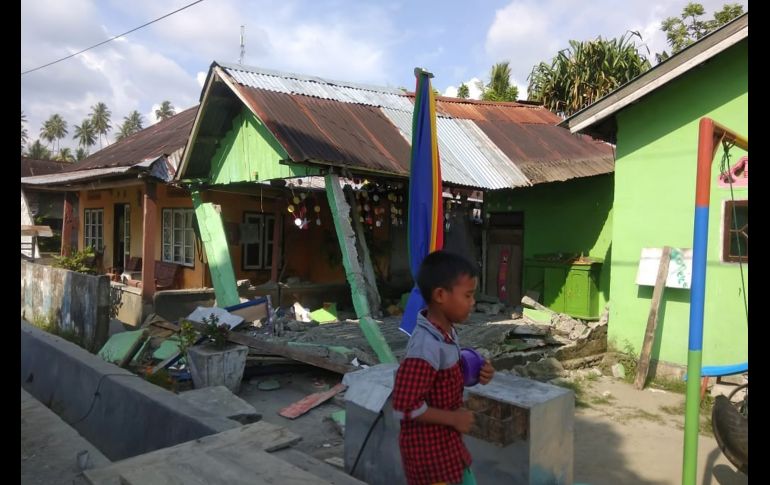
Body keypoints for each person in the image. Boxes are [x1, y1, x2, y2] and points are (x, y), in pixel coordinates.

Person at [393, 250, 495, 485]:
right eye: (468, 296)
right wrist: (453, 419)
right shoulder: (424, 348)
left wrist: (478, 373)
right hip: (429, 459)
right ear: (440, 295)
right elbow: (404, 407)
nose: (473, 303)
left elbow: (447, 376)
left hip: (450, 449)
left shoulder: (446, 333)